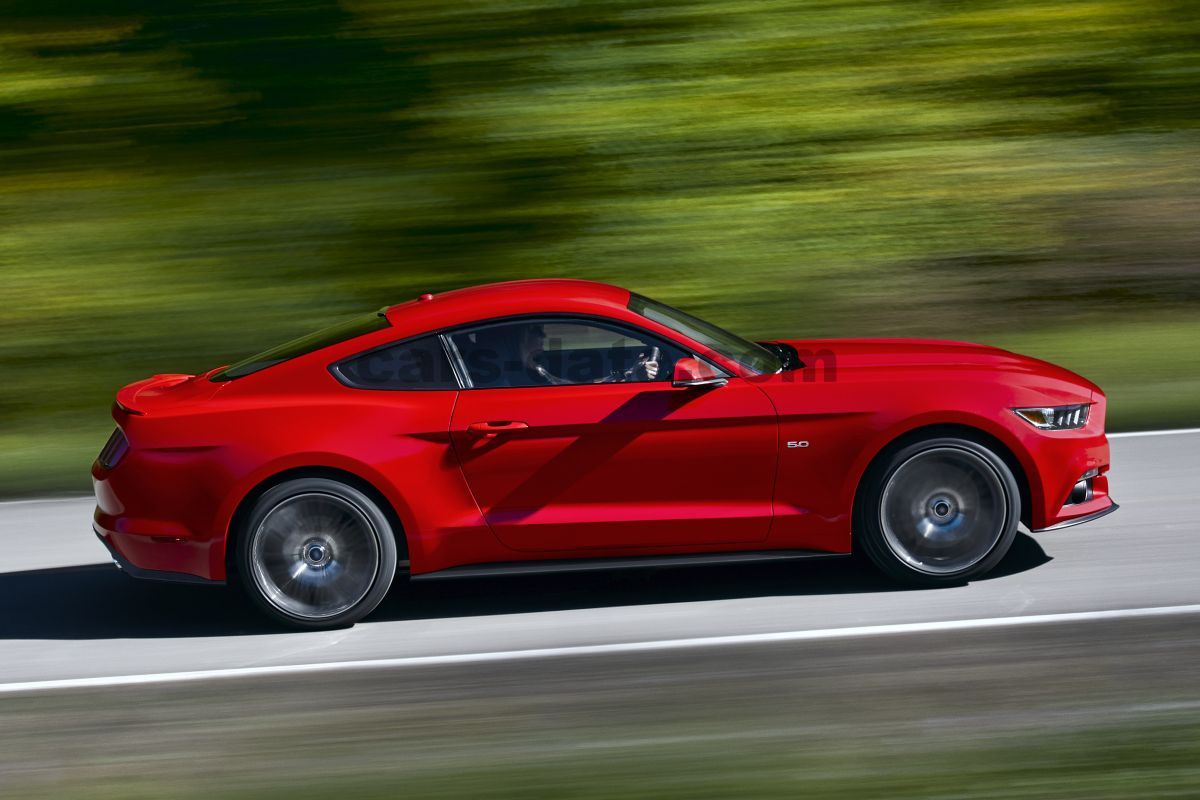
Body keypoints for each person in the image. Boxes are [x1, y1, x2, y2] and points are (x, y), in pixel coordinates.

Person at [518, 324, 659, 385]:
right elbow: (572, 399)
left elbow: (573, 388)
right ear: (516, 339)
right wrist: (631, 378)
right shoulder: (527, 378)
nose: (543, 335)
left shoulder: (536, 370)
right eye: (535, 330)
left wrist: (629, 375)